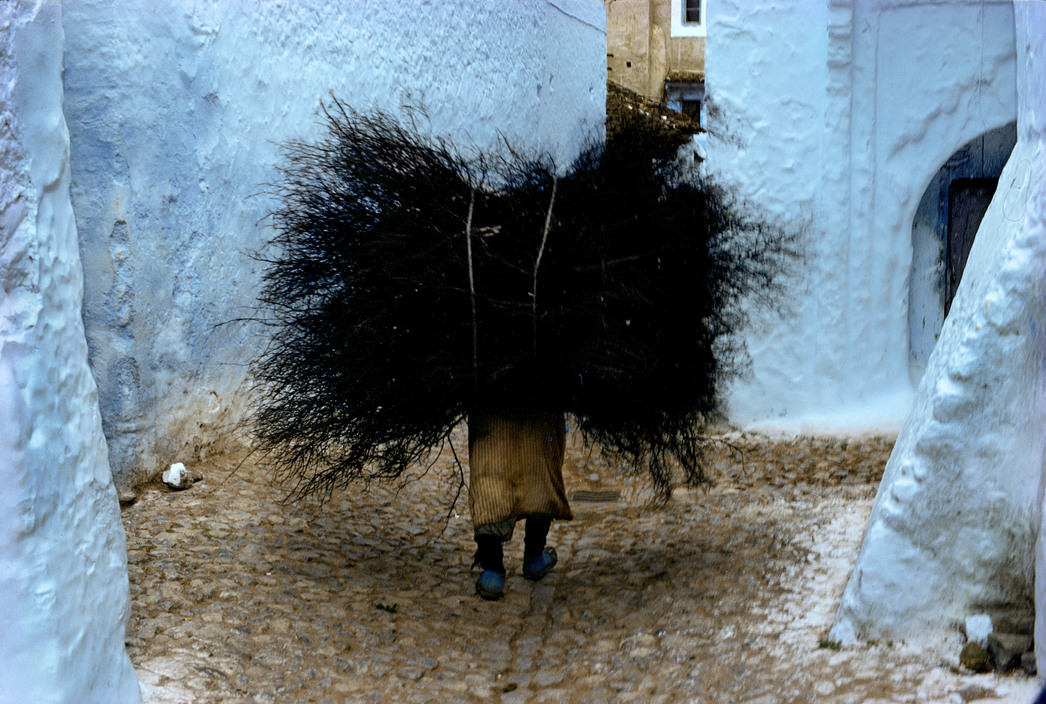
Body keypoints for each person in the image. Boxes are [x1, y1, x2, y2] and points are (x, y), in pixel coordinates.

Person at [467, 406, 572, 600]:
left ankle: (493, 572)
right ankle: (534, 557)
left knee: (491, 473)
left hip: (491, 399)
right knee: (540, 474)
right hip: (541, 399)